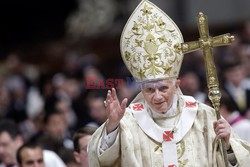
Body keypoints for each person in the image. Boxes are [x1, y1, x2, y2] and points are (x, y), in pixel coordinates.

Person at [88, 0, 250, 167]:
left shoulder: (203, 116)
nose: (157, 96)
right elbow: (102, 160)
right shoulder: (128, 122)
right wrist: (112, 126)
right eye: (150, 90)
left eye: (163, 88)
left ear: (177, 85)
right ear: (141, 90)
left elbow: (235, 160)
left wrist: (229, 145)